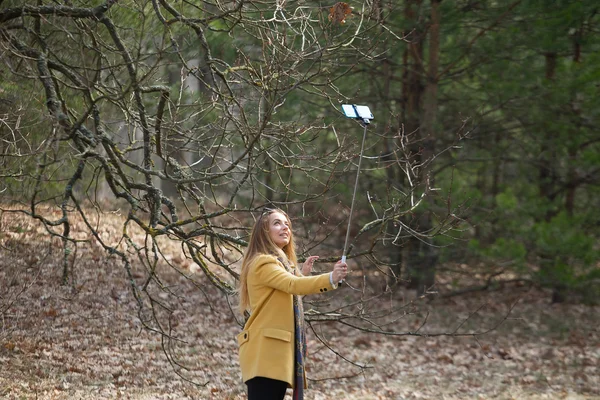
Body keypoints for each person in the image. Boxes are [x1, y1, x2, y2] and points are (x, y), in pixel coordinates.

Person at [237, 208, 348, 400]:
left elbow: (286, 296)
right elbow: (292, 284)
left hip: (274, 355)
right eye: (277, 223)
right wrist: (331, 278)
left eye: (287, 224)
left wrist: (301, 275)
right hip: (266, 354)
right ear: (264, 231)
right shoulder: (263, 262)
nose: (285, 228)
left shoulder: (278, 264)